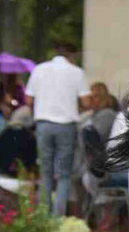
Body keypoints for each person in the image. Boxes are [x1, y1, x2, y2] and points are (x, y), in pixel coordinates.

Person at [25, 41, 91, 216]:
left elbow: (29, 101)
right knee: (63, 175)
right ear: (71, 55)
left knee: (45, 173)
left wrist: (40, 110)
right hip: (66, 127)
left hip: (43, 125)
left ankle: (44, 216)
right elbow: (86, 102)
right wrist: (73, 107)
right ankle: (57, 218)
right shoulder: (77, 73)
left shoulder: (39, 69)